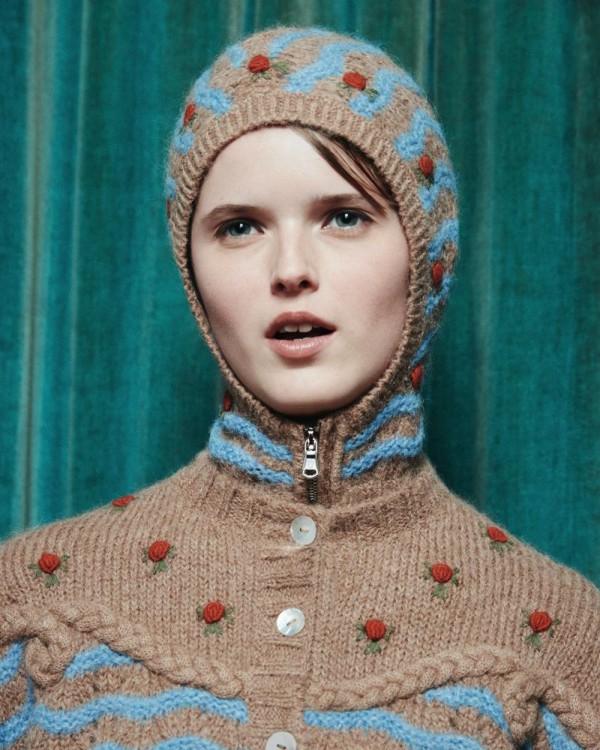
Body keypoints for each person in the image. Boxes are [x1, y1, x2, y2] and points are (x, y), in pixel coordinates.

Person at [0, 26, 598, 750]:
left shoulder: (561, 642)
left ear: (427, 256)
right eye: (239, 227)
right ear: (191, 270)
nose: (289, 269)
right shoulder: (27, 606)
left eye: (344, 217)